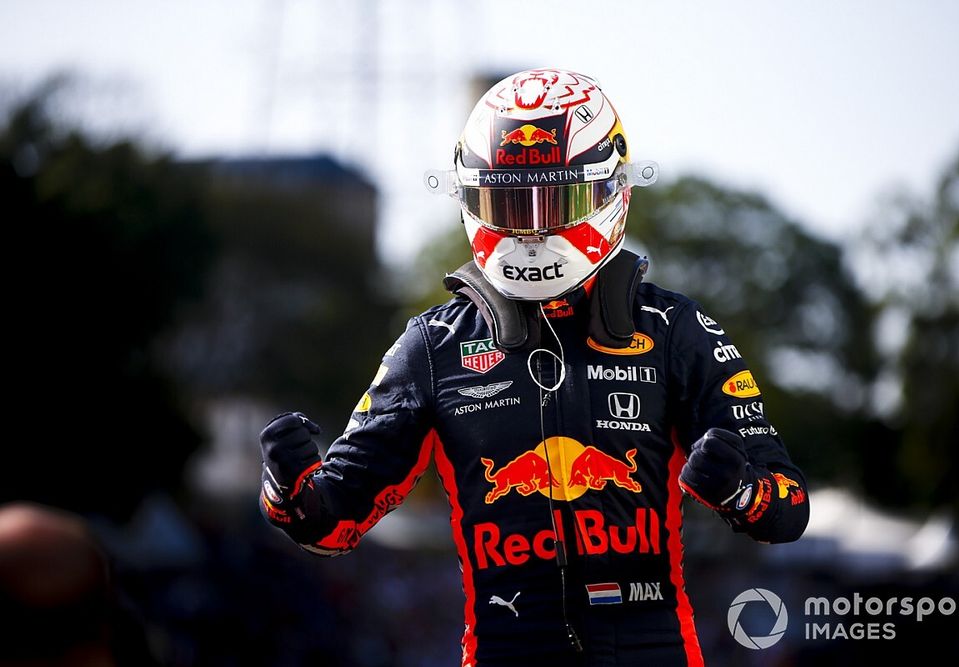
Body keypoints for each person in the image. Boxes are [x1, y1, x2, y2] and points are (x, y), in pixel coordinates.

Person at [258, 68, 809, 666]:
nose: (528, 226)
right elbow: (332, 519)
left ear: (610, 192)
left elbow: (788, 508)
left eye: (554, 200)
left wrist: (742, 491)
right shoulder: (432, 346)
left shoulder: (674, 330)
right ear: (472, 199)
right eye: (507, 202)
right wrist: (286, 488)